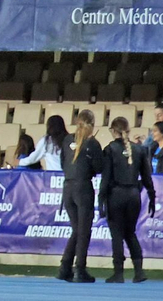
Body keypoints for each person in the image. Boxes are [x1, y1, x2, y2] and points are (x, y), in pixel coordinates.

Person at [100, 117, 156, 284]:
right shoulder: (139, 150)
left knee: (117, 234)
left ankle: (118, 273)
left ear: (113, 131)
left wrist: (101, 199)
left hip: (116, 195)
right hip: (133, 195)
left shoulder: (110, 149)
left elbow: (106, 177)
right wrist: (152, 196)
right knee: (130, 232)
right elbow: (147, 177)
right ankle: (139, 271)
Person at [59, 110, 105, 283]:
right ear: (91, 125)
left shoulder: (67, 140)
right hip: (83, 187)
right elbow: (99, 167)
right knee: (84, 230)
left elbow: (63, 162)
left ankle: (65, 267)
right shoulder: (92, 143)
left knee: (77, 229)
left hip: (68, 187)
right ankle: (79, 268)